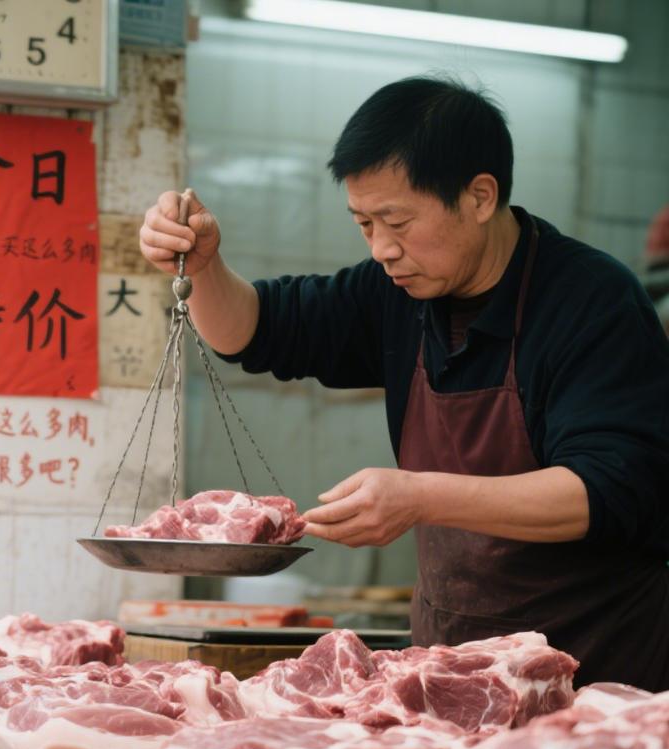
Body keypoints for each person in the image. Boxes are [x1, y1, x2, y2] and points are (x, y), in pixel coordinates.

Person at [140, 76, 669, 690]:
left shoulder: (590, 301)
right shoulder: (395, 291)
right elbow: (254, 331)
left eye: (397, 221)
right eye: (364, 223)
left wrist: (420, 497)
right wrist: (204, 268)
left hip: (595, 688)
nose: (383, 249)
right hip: (454, 684)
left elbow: (607, 489)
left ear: (479, 196)